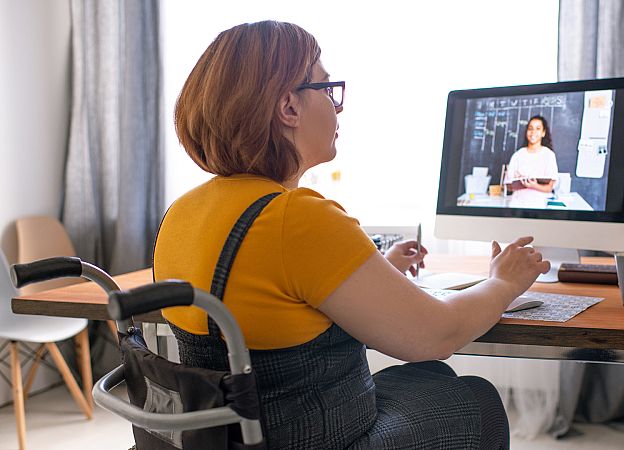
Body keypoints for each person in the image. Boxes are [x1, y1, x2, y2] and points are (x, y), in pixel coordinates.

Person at [154, 20, 550, 449]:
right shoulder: (296, 216)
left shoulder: (181, 212)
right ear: (289, 107)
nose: (337, 106)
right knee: (476, 399)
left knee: (430, 378)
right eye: (327, 88)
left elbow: (266, 298)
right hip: (314, 441)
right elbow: (438, 335)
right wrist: (503, 282)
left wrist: (376, 270)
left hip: (228, 438)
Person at [504, 115, 559, 208]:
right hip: (517, 205)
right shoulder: (518, 155)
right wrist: (519, 182)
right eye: (530, 128)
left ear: (543, 133)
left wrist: (534, 185)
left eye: (538, 129)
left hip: (539, 206)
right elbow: (509, 186)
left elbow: (549, 188)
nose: (533, 132)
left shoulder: (549, 155)